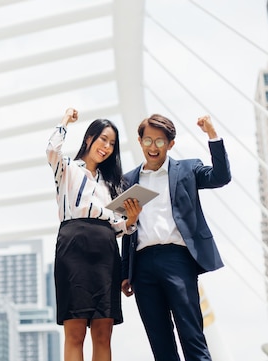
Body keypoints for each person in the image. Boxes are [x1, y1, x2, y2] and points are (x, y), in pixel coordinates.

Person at [120, 113, 232, 361]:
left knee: (192, 336)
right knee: (160, 345)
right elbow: (125, 229)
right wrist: (124, 273)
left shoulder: (187, 170)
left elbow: (221, 177)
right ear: (139, 141)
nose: (153, 147)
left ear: (171, 144)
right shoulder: (127, 181)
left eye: (160, 142)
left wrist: (212, 135)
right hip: (142, 266)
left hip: (178, 260)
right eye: (148, 140)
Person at [47, 107, 141, 361]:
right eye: (103, 139)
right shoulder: (67, 168)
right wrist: (65, 119)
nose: (107, 147)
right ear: (89, 138)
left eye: (112, 143)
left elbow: (116, 226)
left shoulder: (112, 183)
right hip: (73, 249)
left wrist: (130, 221)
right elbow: (52, 150)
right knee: (75, 334)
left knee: (103, 334)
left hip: (106, 253)